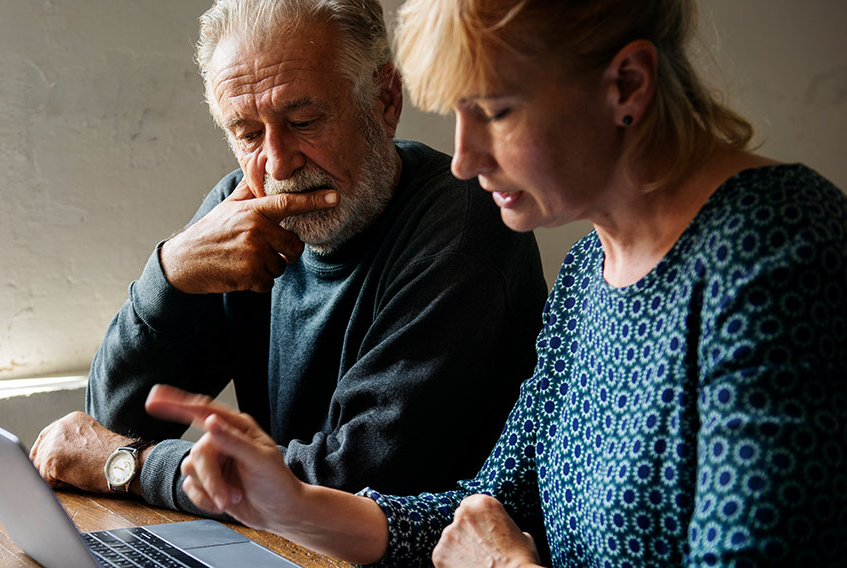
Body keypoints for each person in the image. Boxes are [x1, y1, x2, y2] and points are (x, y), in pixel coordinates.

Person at [143, 0, 847, 565]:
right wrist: (286, 504)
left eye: (498, 110)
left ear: (627, 85)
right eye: (457, 112)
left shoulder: (777, 251)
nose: (463, 157)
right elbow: (492, 505)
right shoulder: (588, 272)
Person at [29, 0, 547, 517]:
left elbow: (353, 484)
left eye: (303, 121)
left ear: (386, 100)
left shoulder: (465, 228)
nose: (277, 162)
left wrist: (130, 467)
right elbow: (114, 420)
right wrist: (168, 276)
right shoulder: (242, 216)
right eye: (248, 134)